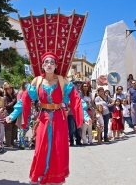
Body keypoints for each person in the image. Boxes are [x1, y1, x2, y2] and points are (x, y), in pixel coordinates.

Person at [6, 52, 91, 184]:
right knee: (40, 147)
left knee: (57, 147)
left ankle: (55, 177)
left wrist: (85, 116)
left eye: (52, 62)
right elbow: (24, 100)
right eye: (46, 62)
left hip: (59, 117)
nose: (49, 64)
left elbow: (76, 99)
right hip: (43, 118)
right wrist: (12, 115)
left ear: (56, 65)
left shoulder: (63, 81)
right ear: (42, 65)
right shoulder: (37, 80)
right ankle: (40, 174)